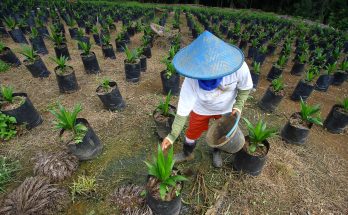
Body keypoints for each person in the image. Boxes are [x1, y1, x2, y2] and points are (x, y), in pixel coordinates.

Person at [161, 31, 253, 168]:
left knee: (221, 133)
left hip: (226, 108)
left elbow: (245, 88)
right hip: (201, 108)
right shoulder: (191, 79)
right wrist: (172, 135)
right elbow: (182, 110)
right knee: (192, 131)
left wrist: (238, 105)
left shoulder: (238, 68)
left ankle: (216, 151)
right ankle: (188, 153)